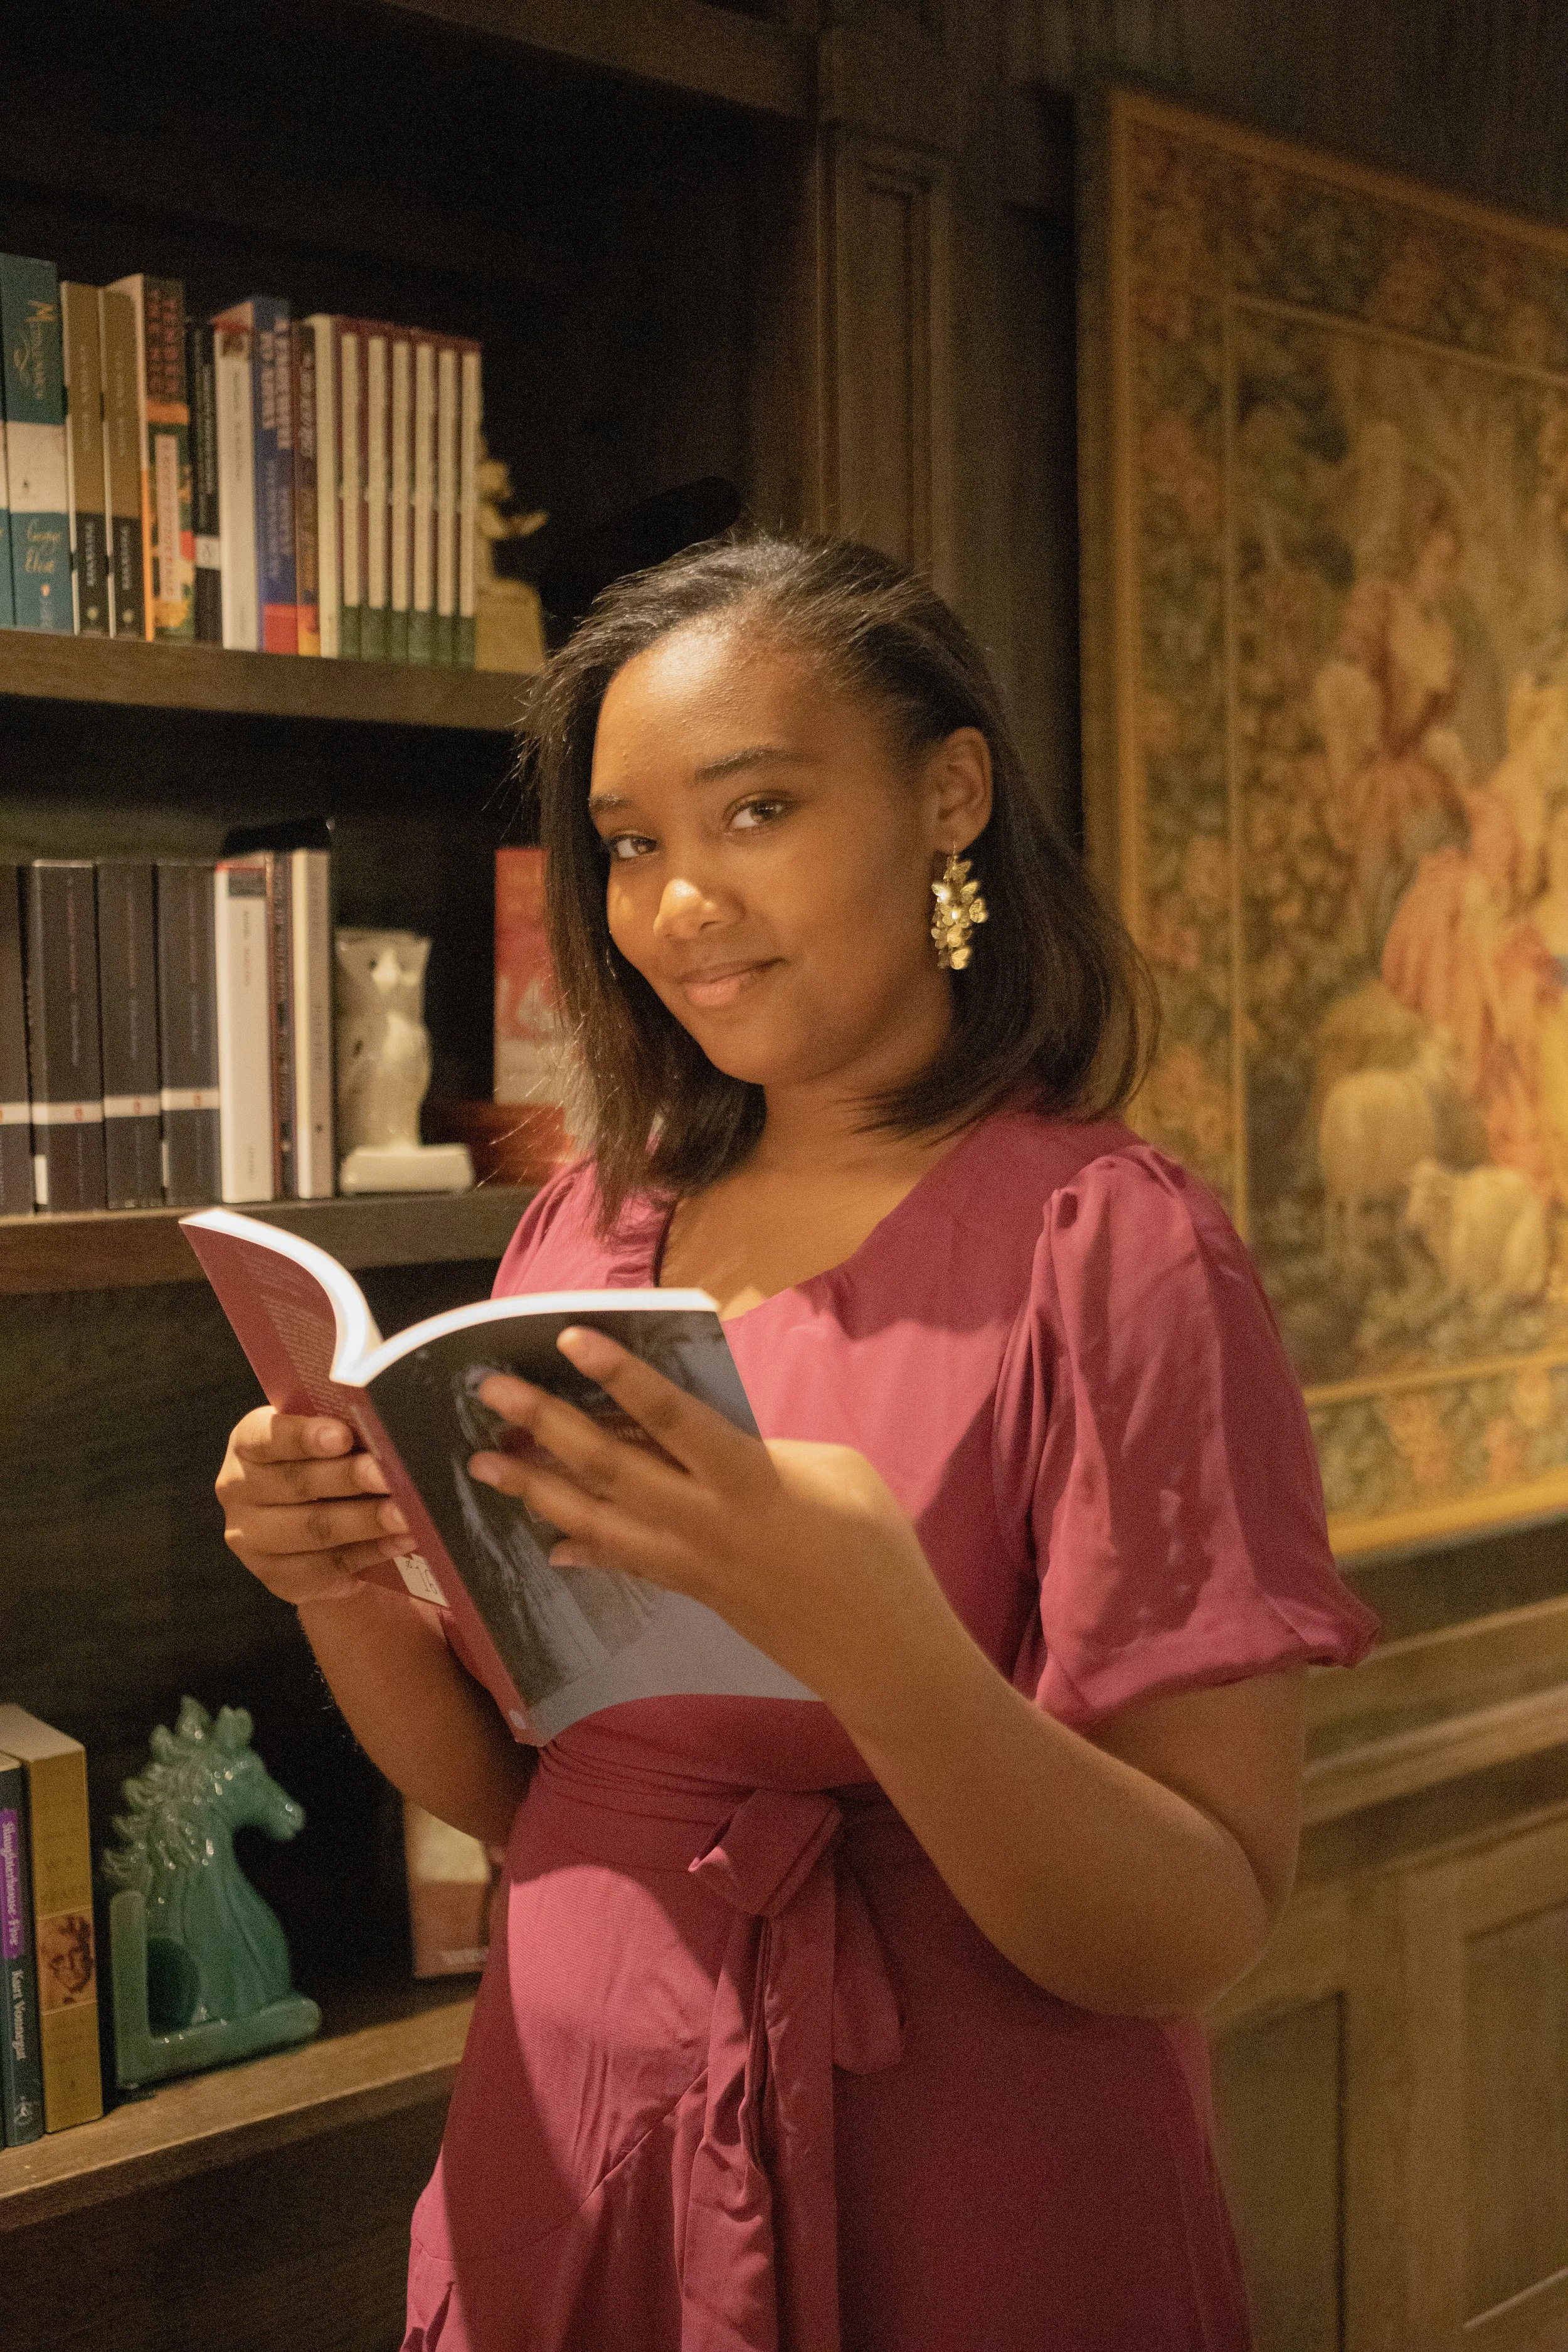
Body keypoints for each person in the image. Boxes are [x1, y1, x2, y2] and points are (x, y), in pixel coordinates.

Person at [215, 531, 1378, 2352]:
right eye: (630, 843)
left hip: (970, 2192)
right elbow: (537, 1802)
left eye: (754, 810)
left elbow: (1192, 1922)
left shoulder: (1110, 1244)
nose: (679, 901)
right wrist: (343, 1583)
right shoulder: (589, 1227)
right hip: (581, 2152)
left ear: (948, 795)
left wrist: (868, 1628)